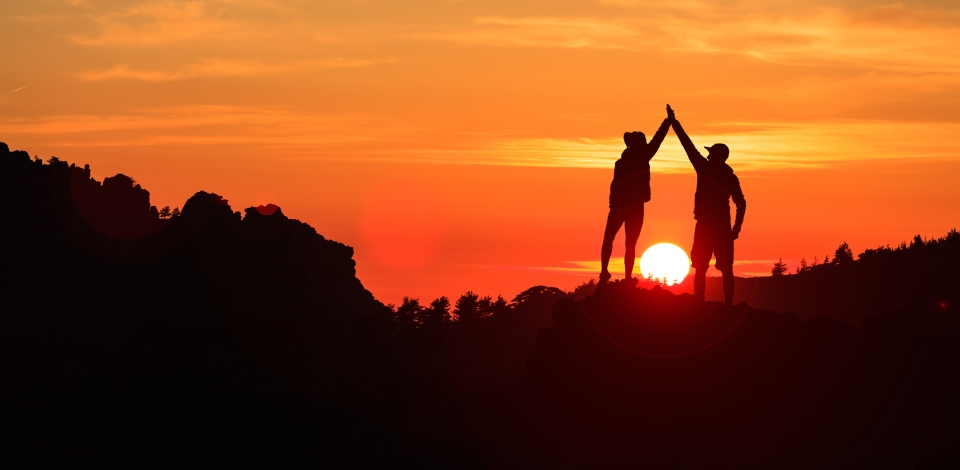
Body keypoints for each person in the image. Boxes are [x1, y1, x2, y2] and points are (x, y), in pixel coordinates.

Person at [670, 105, 746, 306]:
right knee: (724, 269)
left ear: (715, 156)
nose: (708, 155)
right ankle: (726, 305)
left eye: (711, 153)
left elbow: (688, 146)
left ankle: (698, 302)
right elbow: (742, 203)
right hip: (722, 227)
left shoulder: (704, 169)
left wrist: (674, 123)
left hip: (706, 226)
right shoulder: (730, 177)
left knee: (701, 267)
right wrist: (735, 229)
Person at [599, 106, 674, 284]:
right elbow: (658, 140)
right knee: (629, 243)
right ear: (638, 144)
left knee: (610, 238)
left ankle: (606, 273)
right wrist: (668, 121)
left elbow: (614, 186)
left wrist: (613, 204)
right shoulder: (641, 157)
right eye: (644, 141)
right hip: (633, 207)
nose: (647, 144)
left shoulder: (621, 161)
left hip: (619, 206)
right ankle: (621, 276)